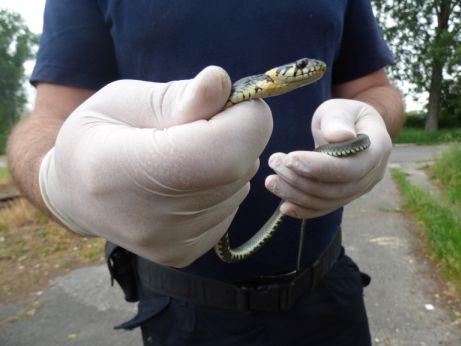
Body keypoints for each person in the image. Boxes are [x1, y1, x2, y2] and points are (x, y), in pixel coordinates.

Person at [7, 0, 404, 345]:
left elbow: (374, 88)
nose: (310, 70)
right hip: (181, 313)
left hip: (329, 295)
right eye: (300, 68)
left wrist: (374, 122)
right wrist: (55, 179)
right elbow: (49, 118)